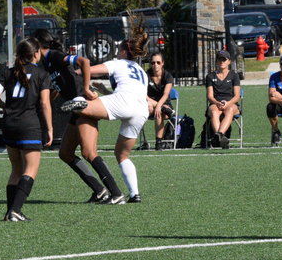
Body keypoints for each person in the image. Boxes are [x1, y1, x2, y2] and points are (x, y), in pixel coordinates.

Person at [61, 25, 149, 204]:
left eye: (118, 50)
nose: (117, 53)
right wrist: (105, 91)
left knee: (81, 102)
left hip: (124, 102)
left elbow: (87, 69)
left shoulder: (117, 63)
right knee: (122, 155)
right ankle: (135, 194)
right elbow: (129, 95)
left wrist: (73, 73)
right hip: (141, 110)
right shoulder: (141, 72)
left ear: (123, 51)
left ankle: (80, 103)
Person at [32, 29, 109, 203]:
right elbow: (58, 86)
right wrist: (44, 102)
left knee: (89, 153)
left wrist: (86, 88)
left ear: (37, 45)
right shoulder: (46, 63)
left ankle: (115, 192)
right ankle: (99, 190)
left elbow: (84, 61)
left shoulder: (54, 55)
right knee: (65, 153)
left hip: (83, 104)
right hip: (75, 109)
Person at [0, 37, 52, 221]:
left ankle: (10, 212)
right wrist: (49, 128)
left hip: (9, 124)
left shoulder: (8, 72)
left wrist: (6, 107)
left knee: (16, 170)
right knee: (30, 169)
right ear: (36, 53)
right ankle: (15, 211)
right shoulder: (42, 74)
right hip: (28, 125)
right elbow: (45, 103)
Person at [205, 50, 241, 149]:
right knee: (214, 111)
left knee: (230, 109)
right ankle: (221, 138)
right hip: (215, 103)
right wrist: (217, 103)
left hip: (231, 103)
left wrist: (228, 103)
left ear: (229, 61)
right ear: (216, 61)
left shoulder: (234, 75)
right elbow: (210, 96)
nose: (222, 62)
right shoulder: (210, 76)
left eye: (224, 60)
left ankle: (219, 135)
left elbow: (237, 96)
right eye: (220, 60)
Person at [146, 52, 175, 150]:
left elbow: (166, 94)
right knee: (154, 108)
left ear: (163, 63)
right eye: (153, 63)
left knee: (159, 113)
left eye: (158, 62)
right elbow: (142, 94)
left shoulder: (168, 76)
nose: (155, 65)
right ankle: (159, 142)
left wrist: (159, 106)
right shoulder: (146, 75)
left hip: (165, 104)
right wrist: (159, 106)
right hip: (150, 105)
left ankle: (158, 142)